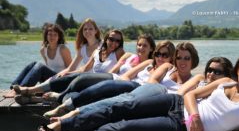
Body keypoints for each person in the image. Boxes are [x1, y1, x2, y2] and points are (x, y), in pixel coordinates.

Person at [39, 51, 239, 131]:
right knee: (124, 105)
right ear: (238, 69)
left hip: (179, 127)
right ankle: (62, 125)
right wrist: (196, 117)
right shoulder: (225, 82)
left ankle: (79, 128)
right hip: (176, 104)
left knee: (123, 129)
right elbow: (191, 94)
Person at [39, 41, 200, 130]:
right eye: (179, 58)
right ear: (175, 59)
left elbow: (181, 92)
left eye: (187, 58)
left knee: (121, 113)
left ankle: (74, 117)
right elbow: (152, 81)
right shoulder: (167, 67)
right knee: (121, 101)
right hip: (153, 91)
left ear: (193, 60)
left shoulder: (197, 77)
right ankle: (72, 114)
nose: (182, 62)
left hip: (166, 102)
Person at [43, 40, 175, 118]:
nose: (160, 57)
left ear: (171, 57)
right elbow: (128, 75)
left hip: (140, 90)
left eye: (165, 55)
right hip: (129, 84)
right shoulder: (148, 63)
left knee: (103, 92)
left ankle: (68, 109)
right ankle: (65, 104)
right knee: (102, 87)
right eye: (158, 53)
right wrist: (118, 83)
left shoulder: (169, 69)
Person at [14, 34, 155, 104]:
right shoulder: (129, 56)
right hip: (110, 79)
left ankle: (36, 99)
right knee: (73, 78)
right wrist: (99, 79)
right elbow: (114, 71)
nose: (140, 48)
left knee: (77, 89)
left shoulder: (150, 64)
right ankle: (30, 91)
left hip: (121, 85)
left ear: (151, 49)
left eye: (145, 46)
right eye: (139, 45)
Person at [4, 23, 72, 98]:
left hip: (61, 81)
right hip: (50, 80)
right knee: (33, 64)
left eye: (55, 34)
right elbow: (48, 67)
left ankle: (20, 89)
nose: (52, 37)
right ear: (46, 36)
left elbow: (71, 69)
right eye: (50, 34)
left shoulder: (63, 49)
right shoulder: (43, 50)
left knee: (40, 66)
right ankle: (13, 88)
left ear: (59, 37)